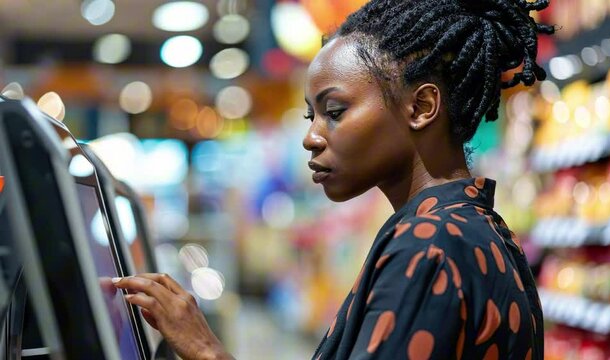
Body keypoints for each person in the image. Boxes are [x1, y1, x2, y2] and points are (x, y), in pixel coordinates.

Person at [113, 0, 554, 358]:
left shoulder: (430, 243)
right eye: (311, 115)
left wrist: (205, 351)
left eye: (335, 112)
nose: (310, 137)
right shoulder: (475, 226)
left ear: (421, 107)